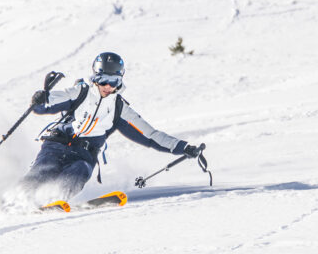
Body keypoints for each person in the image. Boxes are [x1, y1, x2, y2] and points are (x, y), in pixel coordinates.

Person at [12, 51, 200, 203]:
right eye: (103, 79)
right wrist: (40, 99)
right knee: (44, 170)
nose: (108, 86)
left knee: (80, 170)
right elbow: (47, 104)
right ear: (95, 77)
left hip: (84, 154)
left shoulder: (119, 108)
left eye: (114, 81)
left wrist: (183, 147)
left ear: (120, 81)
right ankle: (15, 200)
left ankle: (54, 201)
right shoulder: (81, 93)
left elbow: (150, 135)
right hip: (56, 145)